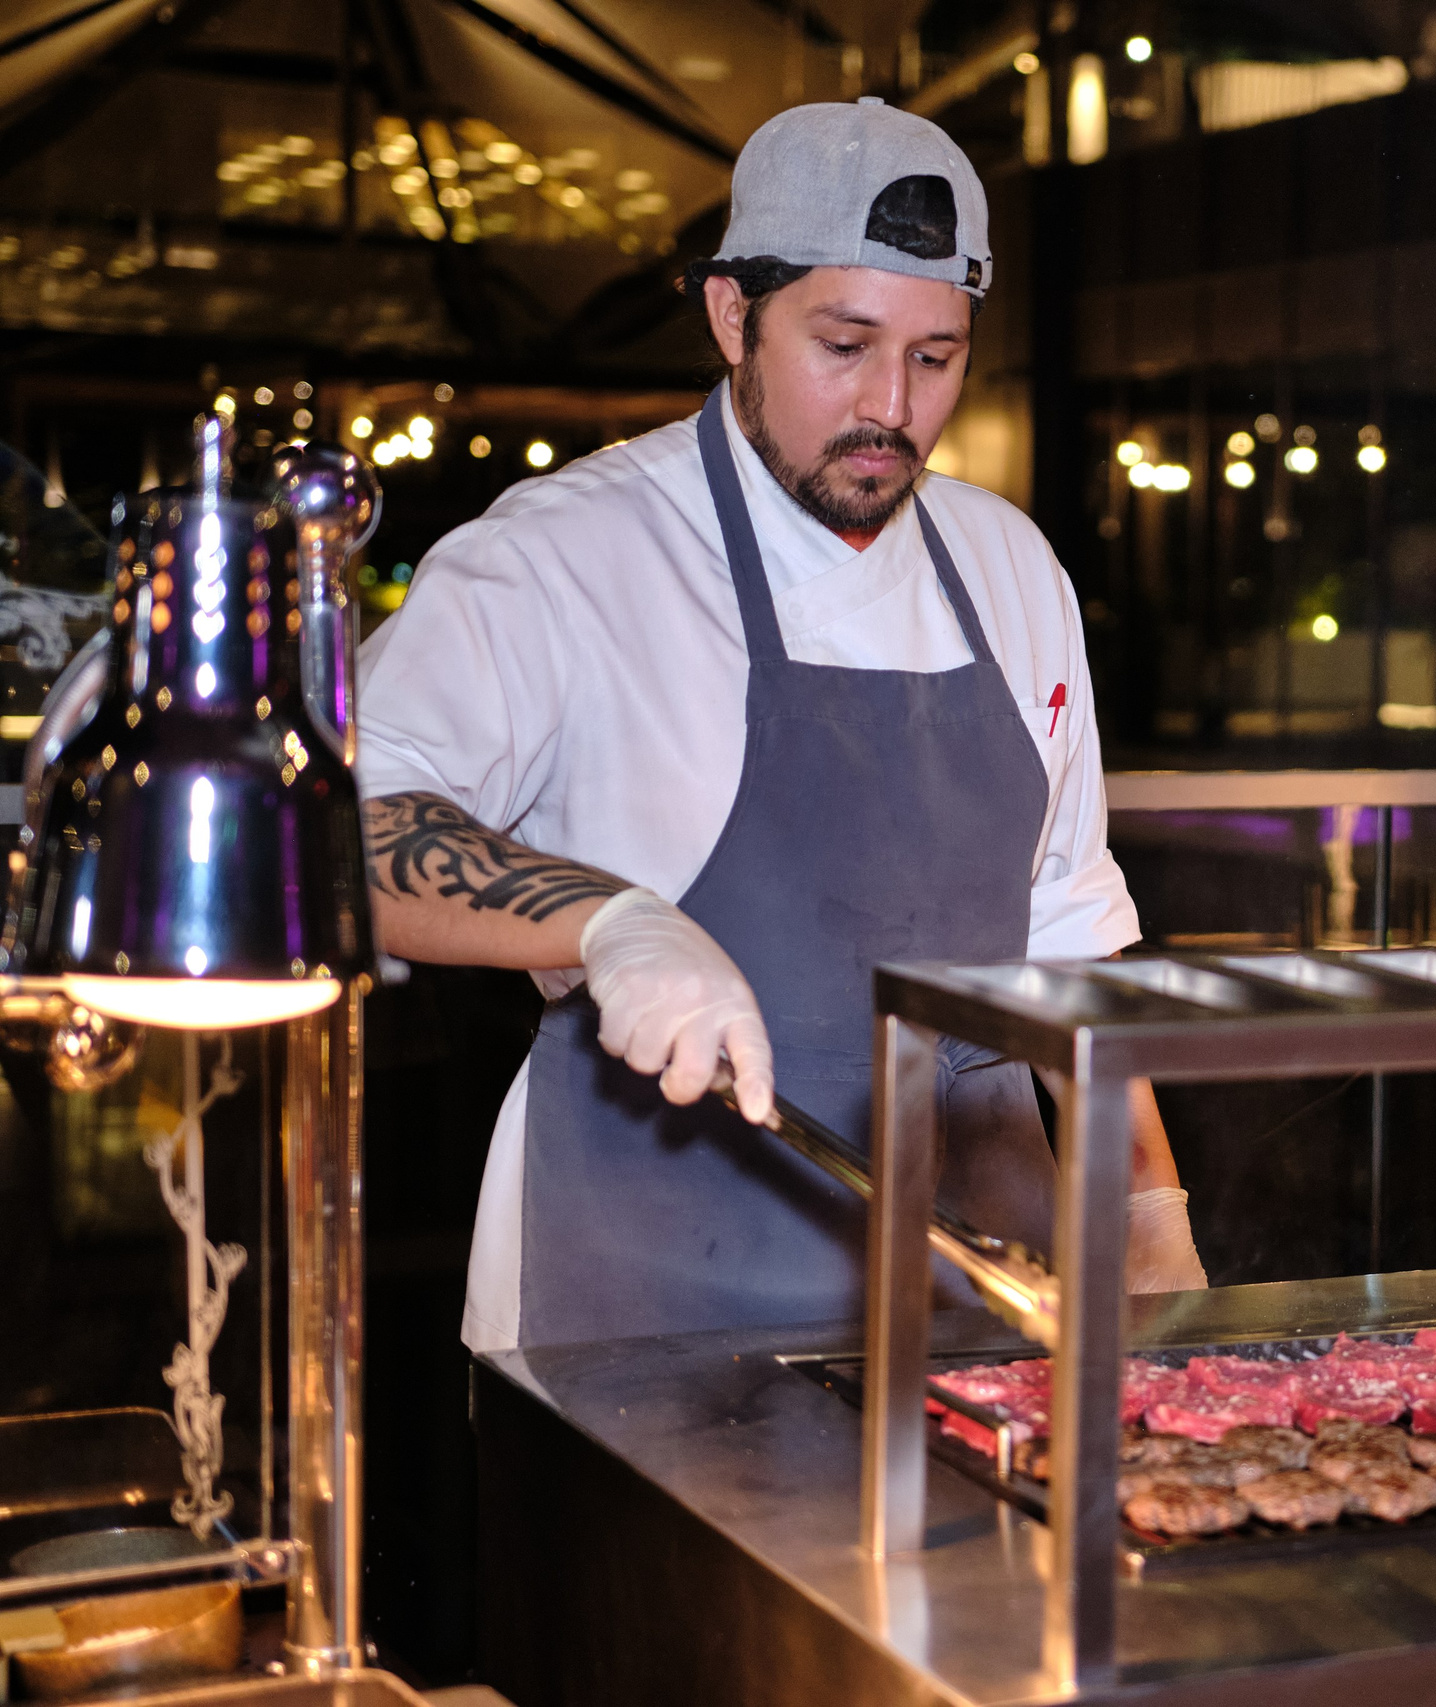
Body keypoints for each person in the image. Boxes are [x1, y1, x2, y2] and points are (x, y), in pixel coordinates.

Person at [355, 100, 1205, 1353]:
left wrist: (1147, 1207)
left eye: (936, 355)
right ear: (730, 315)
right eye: (844, 343)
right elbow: (334, 826)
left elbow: (1069, 933)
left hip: (985, 1310)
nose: (890, 407)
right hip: (644, 1315)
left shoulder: (1010, 566)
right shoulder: (563, 555)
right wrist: (608, 919)